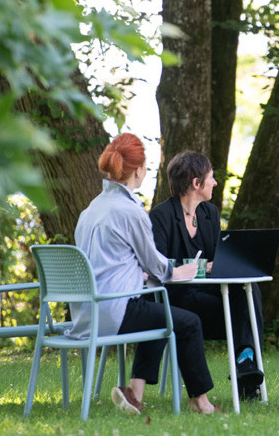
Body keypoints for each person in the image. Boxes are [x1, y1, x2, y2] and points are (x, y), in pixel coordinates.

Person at [73, 134, 220, 415]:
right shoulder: (131, 211)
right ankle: (201, 402)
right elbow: (156, 264)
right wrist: (179, 272)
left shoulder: (89, 211)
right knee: (188, 322)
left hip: (84, 315)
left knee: (159, 313)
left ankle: (134, 394)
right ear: (138, 170)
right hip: (114, 311)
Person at [150, 151, 266, 400]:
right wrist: (201, 268)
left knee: (247, 287)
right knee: (239, 308)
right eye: (211, 177)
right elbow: (158, 266)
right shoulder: (161, 216)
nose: (215, 183)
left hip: (207, 297)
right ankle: (246, 368)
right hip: (177, 300)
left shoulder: (209, 214)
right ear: (196, 183)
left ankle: (246, 361)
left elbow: (218, 262)